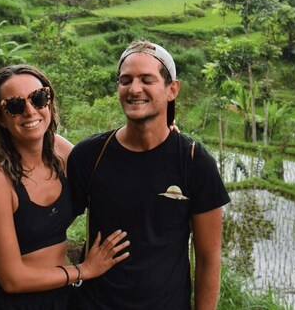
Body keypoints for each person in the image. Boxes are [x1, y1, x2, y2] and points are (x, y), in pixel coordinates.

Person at [67, 40, 230, 309]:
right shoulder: (89, 156)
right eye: (125, 80)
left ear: (171, 89)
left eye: (147, 80)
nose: (134, 89)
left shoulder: (194, 163)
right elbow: (48, 228)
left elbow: (208, 258)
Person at [0, 64, 130, 309]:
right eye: (15, 106)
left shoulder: (61, 151)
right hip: (13, 301)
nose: (30, 111)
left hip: (61, 293)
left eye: (38, 98)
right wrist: (84, 270)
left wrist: (162, 139)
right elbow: (12, 280)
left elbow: (113, 178)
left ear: (49, 102)